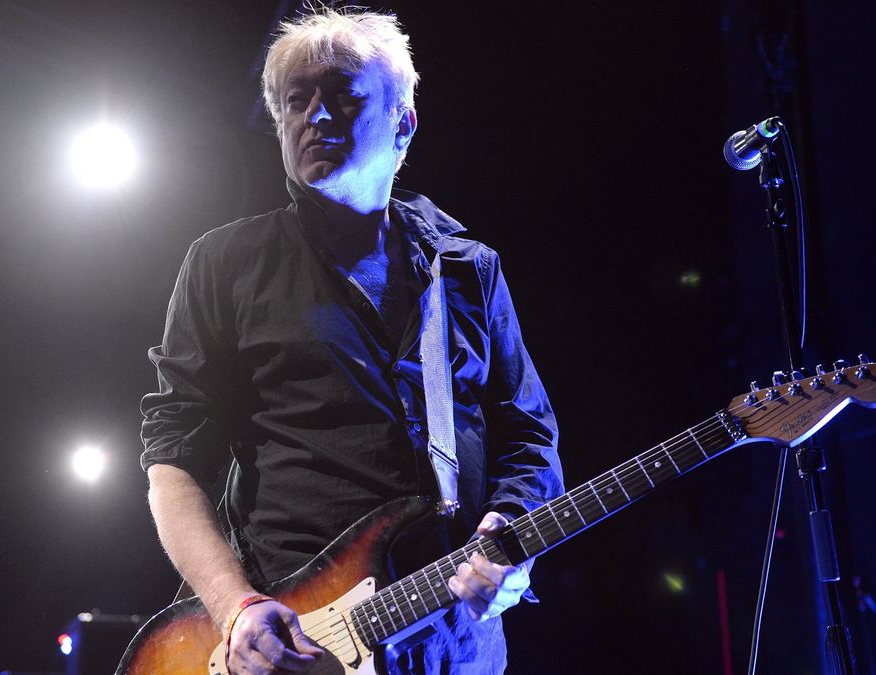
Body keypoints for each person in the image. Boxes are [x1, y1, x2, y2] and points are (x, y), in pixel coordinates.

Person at [140, 8, 562, 674]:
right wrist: (235, 607)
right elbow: (173, 461)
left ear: (404, 121)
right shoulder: (224, 263)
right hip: (293, 638)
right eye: (294, 101)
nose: (315, 115)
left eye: (341, 94)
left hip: (453, 644)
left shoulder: (467, 268)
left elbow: (530, 435)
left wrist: (508, 532)